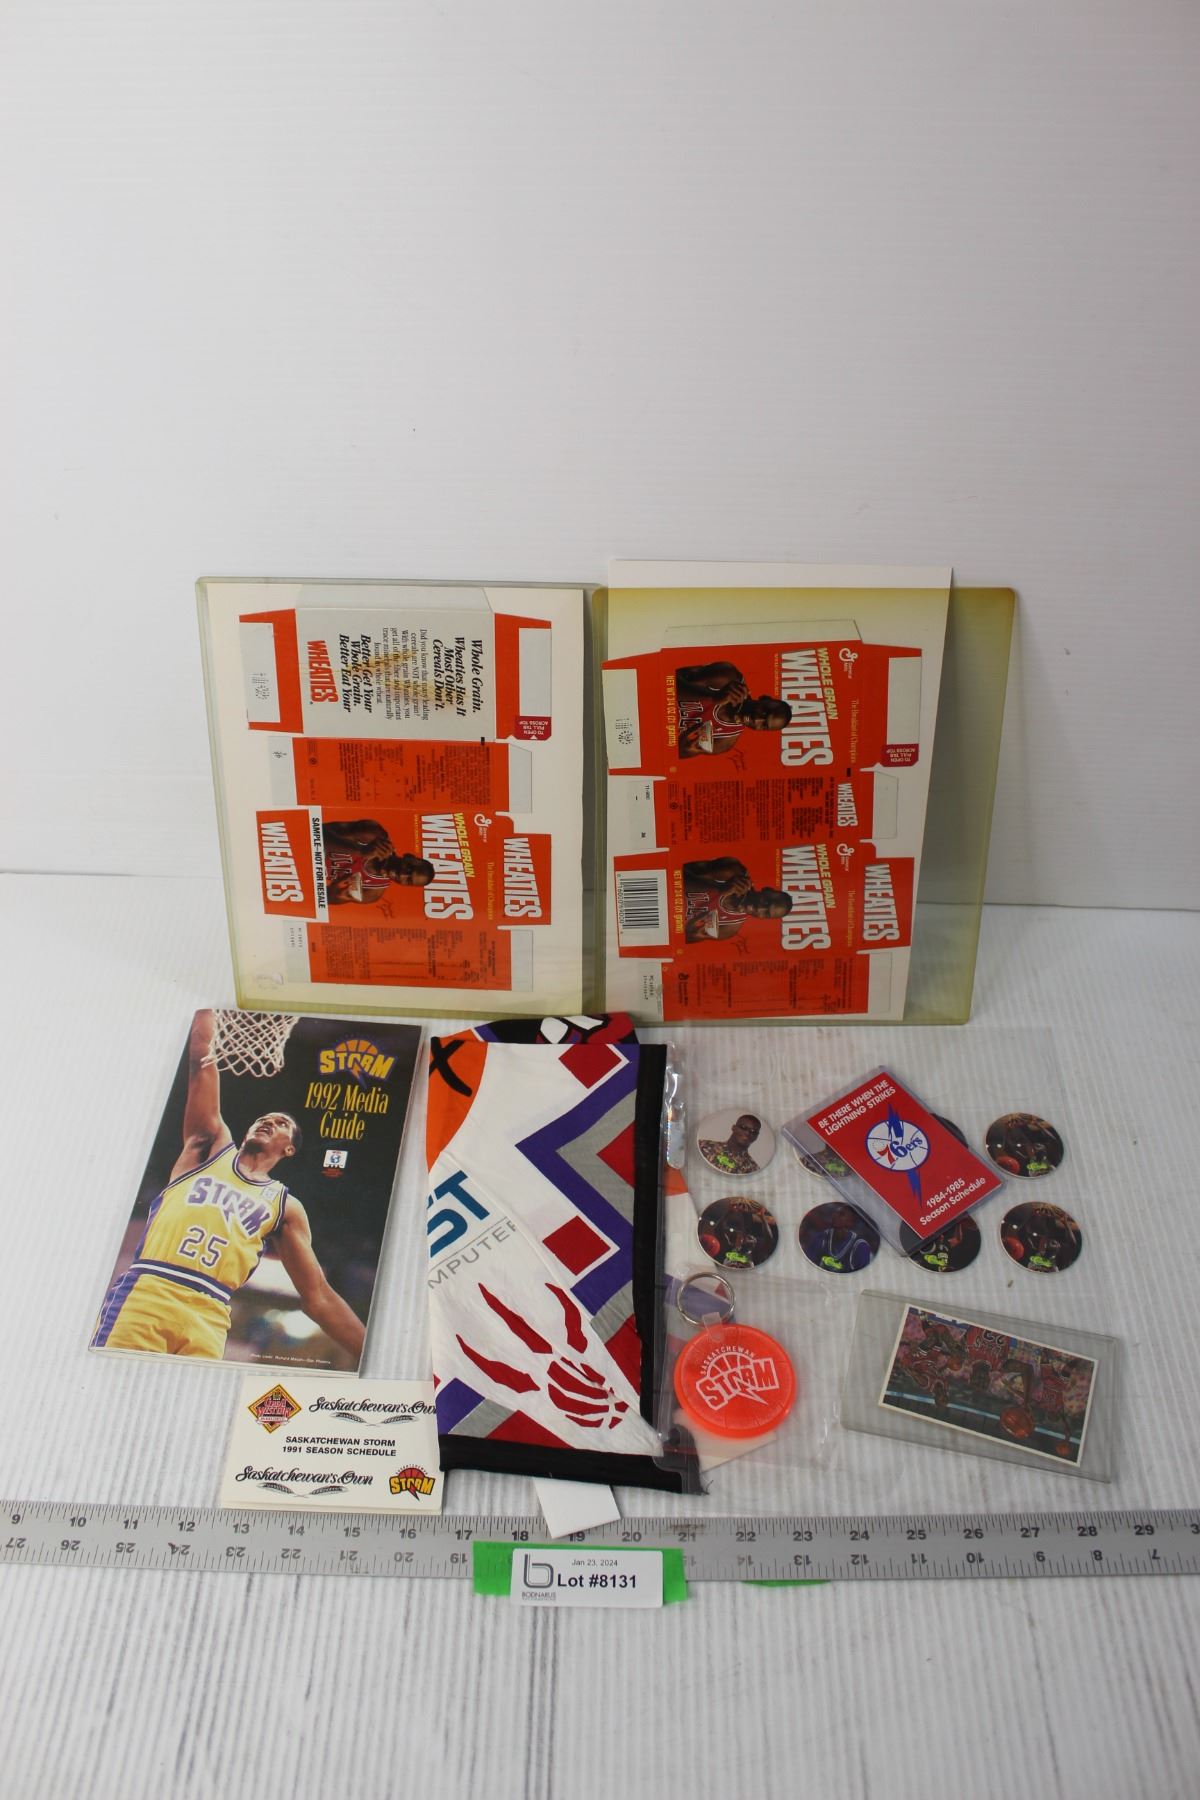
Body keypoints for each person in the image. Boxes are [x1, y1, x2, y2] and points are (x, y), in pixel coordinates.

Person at [92, 1010, 366, 1361]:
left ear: (289, 1149)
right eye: (263, 1118)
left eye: (280, 1123)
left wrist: (373, 1352)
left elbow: (319, 1297)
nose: (268, 1121)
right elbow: (200, 1059)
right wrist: (206, 1007)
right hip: (150, 1292)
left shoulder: (285, 1206)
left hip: (210, 1314)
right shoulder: (209, 1147)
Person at [674, 662, 792, 757]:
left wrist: (684, 749)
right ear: (764, 698)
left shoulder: (724, 741)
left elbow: (677, 754)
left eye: (764, 724)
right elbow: (669, 679)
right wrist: (712, 697)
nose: (757, 719)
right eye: (764, 711)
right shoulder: (728, 678)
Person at [321, 819, 435, 905]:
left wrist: (334, 894)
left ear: (405, 886)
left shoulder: (372, 893)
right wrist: (360, 850)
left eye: (408, 880)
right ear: (408, 856)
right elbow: (316, 830)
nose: (402, 874)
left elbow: (320, 899)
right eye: (409, 868)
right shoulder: (374, 835)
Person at [682, 857, 793, 943]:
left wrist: (692, 935)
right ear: (766, 889)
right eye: (766, 902)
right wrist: (718, 888)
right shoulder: (734, 872)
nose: (760, 908)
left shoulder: (729, 928)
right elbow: (678, 870)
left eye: (766, 913)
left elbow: (684, 939)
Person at [698, 1114, 765, 1176]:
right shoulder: (703, 1146)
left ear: (756, 1137)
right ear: (734, 1128)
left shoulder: (753, 1170)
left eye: (753, 1131)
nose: (747, 1133)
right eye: (743, 1127)